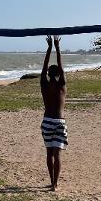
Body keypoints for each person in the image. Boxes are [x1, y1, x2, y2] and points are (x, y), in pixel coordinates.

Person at [40, 35, 67, 191]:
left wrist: (49, 48)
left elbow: (43, 69)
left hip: (47, 121)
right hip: (59, 121)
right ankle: (55, 184)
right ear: (59, 74)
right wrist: (57, 48)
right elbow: (61, 68)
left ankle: (52, 182)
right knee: (57, 154)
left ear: (48, 74)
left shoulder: (44, 85)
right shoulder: (62, 86)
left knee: (49, 153)